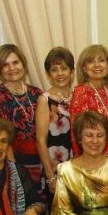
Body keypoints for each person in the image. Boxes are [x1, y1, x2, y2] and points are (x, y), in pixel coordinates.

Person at [0, 44, 44, 185]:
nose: (12, 68)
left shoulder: (37, 93)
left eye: (15, 62)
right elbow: (2, 138)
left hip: (41, 160)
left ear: (23, 63)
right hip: (16, 162)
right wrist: (15, 172)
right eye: (6, 65)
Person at [35, 47, 75, 194]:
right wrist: (50, 177)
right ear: (48, 74)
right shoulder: (44, 100)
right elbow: (40, 141)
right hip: (54, 169)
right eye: (54, 69)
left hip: (78, 168)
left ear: (72, 72)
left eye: (64, 68)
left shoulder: (79, 97)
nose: (60, 74)